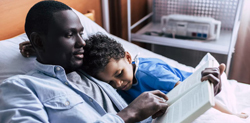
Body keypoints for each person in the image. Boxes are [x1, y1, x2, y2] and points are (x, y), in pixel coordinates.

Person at [11, 1, 221, 123]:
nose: (82, 42)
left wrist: (200, 89)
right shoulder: (21, 87)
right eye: (69, 35)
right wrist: (128, 115)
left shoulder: (90, 68)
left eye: (81, 34)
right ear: (39, 40)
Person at [81, 34, 248, 119]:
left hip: (195, 85)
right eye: (109, 82)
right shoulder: (116, 87)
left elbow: (193, 93)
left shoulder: (151, 73)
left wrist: (232, 115)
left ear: (128, 58)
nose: (118, 83)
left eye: (119, 73)